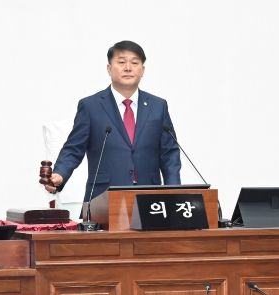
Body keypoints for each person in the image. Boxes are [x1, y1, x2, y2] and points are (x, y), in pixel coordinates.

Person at [44, 40, 181, 202]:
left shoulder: (158, 106)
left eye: (134, 62)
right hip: (103, 198)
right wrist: (60, 174)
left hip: (149, 200)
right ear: (109, 68)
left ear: (142, 70)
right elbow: (74, 149)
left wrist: (175, 194)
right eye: (121, 62)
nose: (128, 68)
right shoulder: (91, 106)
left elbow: (169, 154)